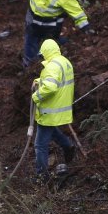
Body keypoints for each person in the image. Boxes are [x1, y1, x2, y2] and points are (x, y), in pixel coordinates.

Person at [12, 0, 95, 67]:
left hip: (51, 24)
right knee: (30, 40)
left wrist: (85, 26)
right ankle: (29, 64)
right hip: (33, 18)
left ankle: (49, 59)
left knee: (49, 44)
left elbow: (75, 10)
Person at [31, 39, 76, 180]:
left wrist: (36, 96)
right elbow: (56, 80)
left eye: (42, 55)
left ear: (46, 52)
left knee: (40, 145)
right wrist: (39, 81)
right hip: (60, 108)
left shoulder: (51, 67)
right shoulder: (64, 62)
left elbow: (50, 87)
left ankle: (41, 177)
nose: (41, 58)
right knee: (51, 131)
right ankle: (68, 145)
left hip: (50, 109)